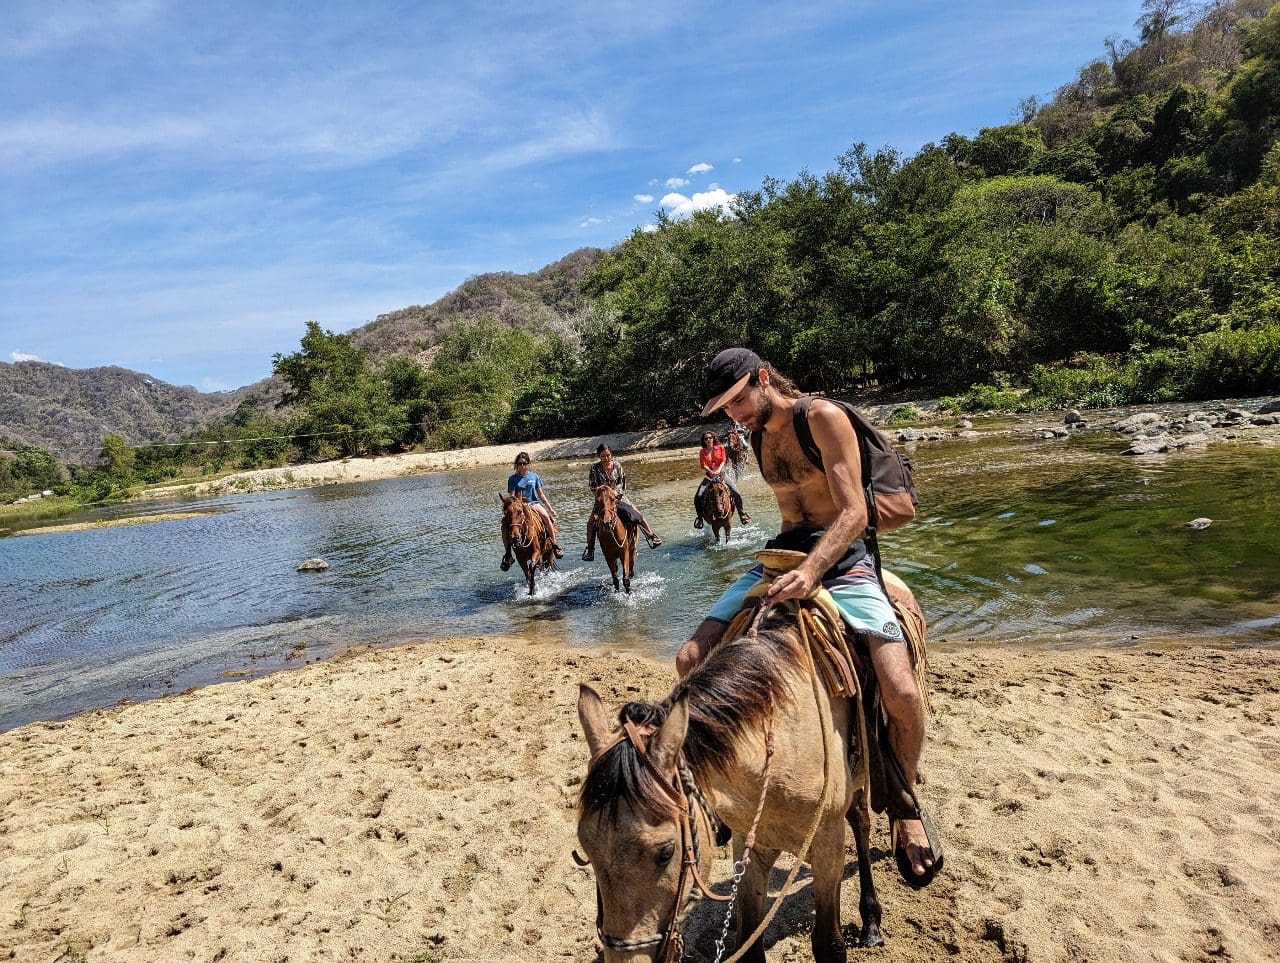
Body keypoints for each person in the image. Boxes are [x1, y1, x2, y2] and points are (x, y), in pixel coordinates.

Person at [676, 347, 940, 887]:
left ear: (763, 379)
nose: (734, 414)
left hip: (842, 559)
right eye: (724, 408)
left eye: (738, 400)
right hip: (782, 556)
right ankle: (728, 783)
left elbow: (856, 512)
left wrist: (815, 570)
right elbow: (790, 512)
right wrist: (789, 566)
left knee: (902, 691)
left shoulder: (822, 417)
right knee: (690, 658)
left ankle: (906, 805)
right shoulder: (754, 436)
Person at [581, 444, 662, 560]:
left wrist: (615, 493)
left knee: (636, 512)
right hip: (603, 500)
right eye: (603, 456)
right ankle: (590, 549)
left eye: (608, 455)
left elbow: (622, 483)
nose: (606, 458)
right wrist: (603, 495)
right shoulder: (594, 468)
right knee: (591, 522)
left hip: (618, 497)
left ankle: (651, 536)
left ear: (611, 454)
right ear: (599, 456)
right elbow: (592, 486)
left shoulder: (617, 466)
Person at [502, 452, 563, 570]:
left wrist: (550, 508)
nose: (522, 466)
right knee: (505, 526)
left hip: (533, 504)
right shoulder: (512, 479)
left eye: (524, 463)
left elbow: (540, 494)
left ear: (528, 464)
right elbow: (512, 496)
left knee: (546, 517)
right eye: (519, 464)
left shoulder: (534, 476)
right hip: (519, 506)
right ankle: (508, 554)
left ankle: (555, 545)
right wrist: (512, 505)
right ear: (516, 465)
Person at [693, 430, 750, 528]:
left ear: (713, 438)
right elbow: (703, 464)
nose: (708, 440)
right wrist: (710, 471)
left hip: (722, 474)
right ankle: (700, 519)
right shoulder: (702, 451)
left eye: (710, 438)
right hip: (709, 476)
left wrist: (718, 470)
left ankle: (742, 514)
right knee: (698, 496)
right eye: (706, 439)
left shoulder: (720, 448)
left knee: (736, 492)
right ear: (704, 440)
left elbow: (723, 460)